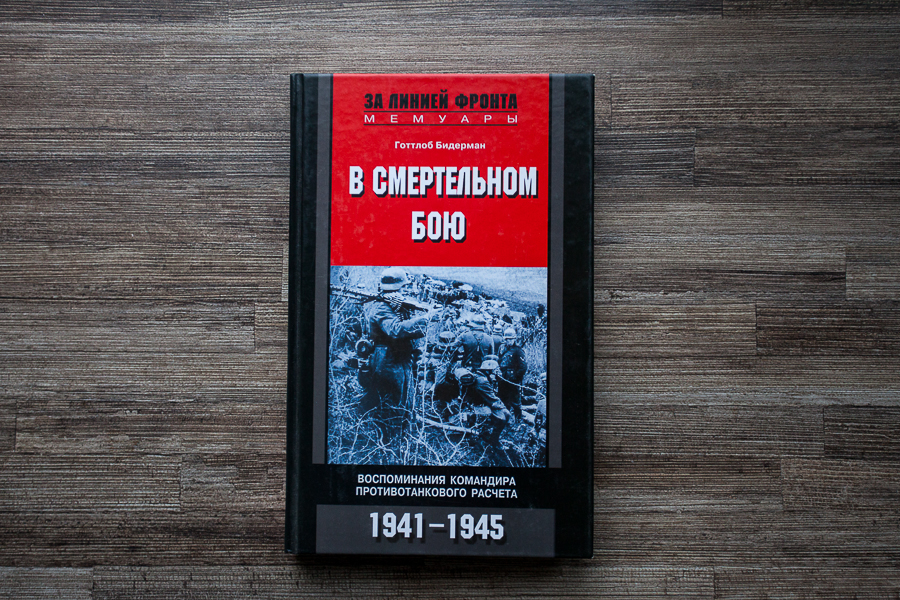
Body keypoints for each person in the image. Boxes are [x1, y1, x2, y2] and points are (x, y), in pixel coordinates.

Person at [360, 267, 435, 451]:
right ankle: (386, 445)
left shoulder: (397, 305)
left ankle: (401, 439)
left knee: (405, 399)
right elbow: (395, 329)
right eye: (404, 287)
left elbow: (407, 330)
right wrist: (425, 318)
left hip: (400, 358)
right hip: (387, 360)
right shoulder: (381, 306)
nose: (406, 291)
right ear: (397, 287)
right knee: (391, 401)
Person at [498, 327, 527, 421]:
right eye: (507, 339)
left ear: (514, 339)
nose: (509, 341)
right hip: (502, 378)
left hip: (513, 380)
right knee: (502, 399)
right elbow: (499, 360)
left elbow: (523, 367)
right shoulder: (502, 348)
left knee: (515, 401)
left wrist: (516, 377)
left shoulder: (518, 350)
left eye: (510, 339)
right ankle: (504, 419)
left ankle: (518, 420)